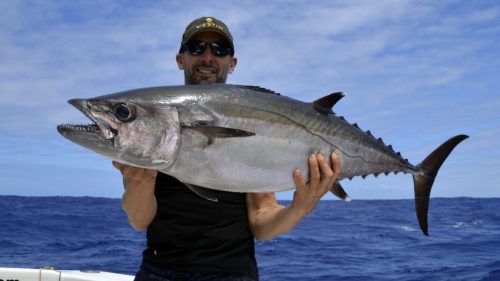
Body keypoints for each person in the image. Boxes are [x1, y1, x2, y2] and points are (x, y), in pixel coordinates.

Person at [113, 16, 340, 281]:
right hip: (159, 270)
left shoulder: (255, 118)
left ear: (231, 63)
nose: (207, 57)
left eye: (219, 50)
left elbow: (262, 222)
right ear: (180, 59)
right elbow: (139, 220)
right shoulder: (158, 120)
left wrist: (299, 208)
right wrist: (140, 183)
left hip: (233, 274)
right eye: (196, 48)